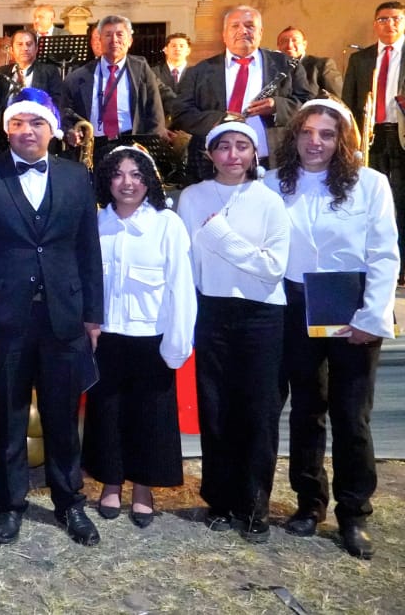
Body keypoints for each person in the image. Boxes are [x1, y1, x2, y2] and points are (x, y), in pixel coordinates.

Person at [0, 88, 104, 548]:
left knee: (62, 417)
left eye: (37, 123)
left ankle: (70, 502)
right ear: (7, 128)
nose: (28, 131)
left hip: (64, 318)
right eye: (19, 123)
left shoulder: (75, 178)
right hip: (6, 319)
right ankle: (9, 505)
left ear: (53, 131)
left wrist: (93, 315)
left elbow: (89, 251)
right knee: (8, 416)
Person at [265, 100, 398, 559]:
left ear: (342, 139)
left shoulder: (370, 184)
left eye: (325, 134)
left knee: (351, 414)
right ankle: (309, 503)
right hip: (296, 305)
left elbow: (384, 254)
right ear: (294, 136)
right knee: (306, 409)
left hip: (352, 306)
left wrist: (370, 316)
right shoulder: (274, 183)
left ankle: (354, 512)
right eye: (306, 133)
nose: (314, 143)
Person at [176, 121, 290, 542]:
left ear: (254, 152)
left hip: (262, 315)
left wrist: (220, 234)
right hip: (212, 312)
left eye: (242, 146)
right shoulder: (191, 198)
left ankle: (254, 503)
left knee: (258, 412)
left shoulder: (270, 199)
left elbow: (272, 267)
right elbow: (186, 262)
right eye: (223, 147)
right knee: (216, 408)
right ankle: (219, 500)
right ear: (210, 154)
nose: (233, 155)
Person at [81, 146, 195, 528]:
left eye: (136, 175)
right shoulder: (95, 223)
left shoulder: (167, 224)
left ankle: (143, 488)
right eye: (118, 174)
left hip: (151, 337)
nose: (127, 183)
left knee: (151, 415)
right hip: (106, 336)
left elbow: (181, 285)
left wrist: (177, 342)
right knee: (107, 413)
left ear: (149, 180)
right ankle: (111, 483)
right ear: (106, 180)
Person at [171, 6, 311, 178]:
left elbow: (308, 105)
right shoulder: (199, 71)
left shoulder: (288, 65)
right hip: (212, 164)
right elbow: (181, 112)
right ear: (224, 34)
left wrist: (277, 106)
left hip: (273, 164)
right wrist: (218, 119)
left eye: (250, 25)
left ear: (260, 32)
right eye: (235, 26)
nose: (243, 31)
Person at [341, 1, 405, 279]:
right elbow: (349, 102)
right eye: (382, 19)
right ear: (375, 24)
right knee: (374, 197)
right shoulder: (361, 59)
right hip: (371, 134)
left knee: (402, 196)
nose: (388, 24)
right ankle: (374, 257)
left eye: (394, 19)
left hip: (401, 132)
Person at [62, 15, 167, 145]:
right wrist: (70, 132)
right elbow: (66, 114)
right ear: (99, 40)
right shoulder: (78, 76)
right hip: (94, 146)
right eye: (108, 35)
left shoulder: (141, 70)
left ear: (130, 41)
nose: (114, 40)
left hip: (133, 143)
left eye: (120, 34)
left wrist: (150, 147)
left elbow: (155, 113)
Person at [0, 29, 64, 130]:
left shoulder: (49, 71)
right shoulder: (2, 72)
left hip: (38, 132)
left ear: (36, 49)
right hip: (8, 131)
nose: (25, 48)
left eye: (29, 44)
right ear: (11, 50)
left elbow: (57, 103)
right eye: (20, 44)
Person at [277, 27, 344, 102]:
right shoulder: (273, 70)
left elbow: (338, 98)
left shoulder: (322, 65)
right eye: (284, 41)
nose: (289, 45)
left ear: (304, 44)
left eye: (295, 40)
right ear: (278, 46)